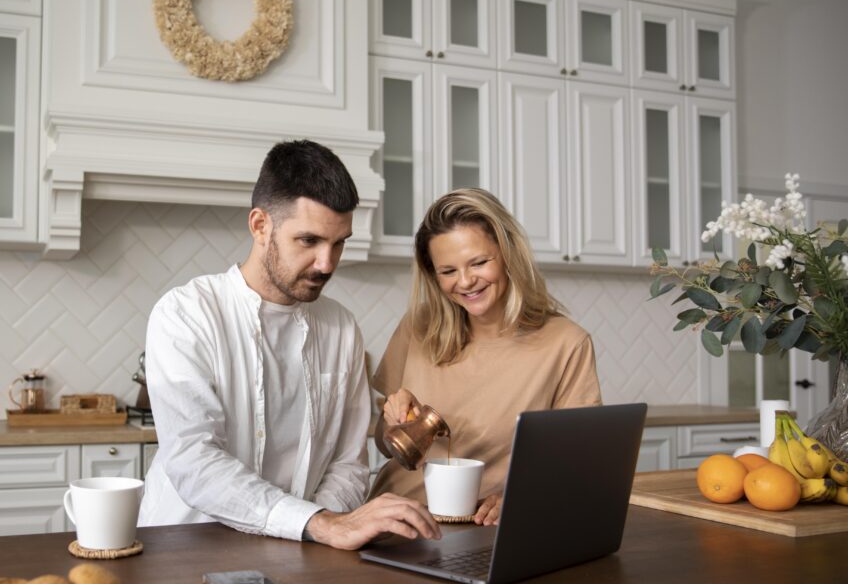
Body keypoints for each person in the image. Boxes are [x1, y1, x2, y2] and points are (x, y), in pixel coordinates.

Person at [138, 140, 440, 550]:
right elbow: (194, 461)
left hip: (300, 550)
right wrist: (318, 524)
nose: (327, 264)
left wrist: (320, 529)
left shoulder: (341, 328)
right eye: (309, 241)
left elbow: (348, 463)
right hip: (186, 546)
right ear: (261, 226)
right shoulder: (185, 315)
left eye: (339, 243)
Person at [370, 188, 602, 526]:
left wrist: (521, 498)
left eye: (479, 262)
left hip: (484, 530)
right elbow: (382, 443)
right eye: (448, 271)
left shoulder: (566, 344)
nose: (465, 282)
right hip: (393, 521)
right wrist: (391, 424)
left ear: (508, 254)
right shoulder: (418, 327)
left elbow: (576, 463)